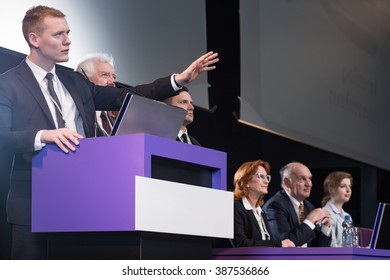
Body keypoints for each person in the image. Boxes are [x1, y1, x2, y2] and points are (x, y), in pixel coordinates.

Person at [0, 5, 218, 259]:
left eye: (68, 33)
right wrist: (44, 135)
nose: (68, 41)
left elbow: (129, 95)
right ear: (34, 39)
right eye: (59, 34)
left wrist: (178, 80)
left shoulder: (75, 82)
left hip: (85, 203)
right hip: (33, 206)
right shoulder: (8, 83)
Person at [262, 162, 332, 247]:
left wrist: (325, 227)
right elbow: (285, 244)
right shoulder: (274, 206)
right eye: (302, 179)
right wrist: (309, 222)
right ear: (287, 182)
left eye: (310, 179)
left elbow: (316, 248)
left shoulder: (309, 206)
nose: (309, 184)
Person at [233, 160, 295, 247]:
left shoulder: (261, 211)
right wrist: (279, 244)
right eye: (261, 176)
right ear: (246, 182)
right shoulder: (236, 208)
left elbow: (268, 243)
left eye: (267, 177)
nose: (266, 181)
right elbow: (241, 243)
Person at [76, 52, 118, 135]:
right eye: (105, 75)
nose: (112, 81)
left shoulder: (115, 119)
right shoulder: (76, 115)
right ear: (86, 80)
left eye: (114, 77)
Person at [321, 171, 353, 247]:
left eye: (350, 186)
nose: (348, 190)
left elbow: (350, 245)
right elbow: (332, 247)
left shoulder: (347, 216)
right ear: (331, 189)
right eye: (343, 186)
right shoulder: (325, 213)